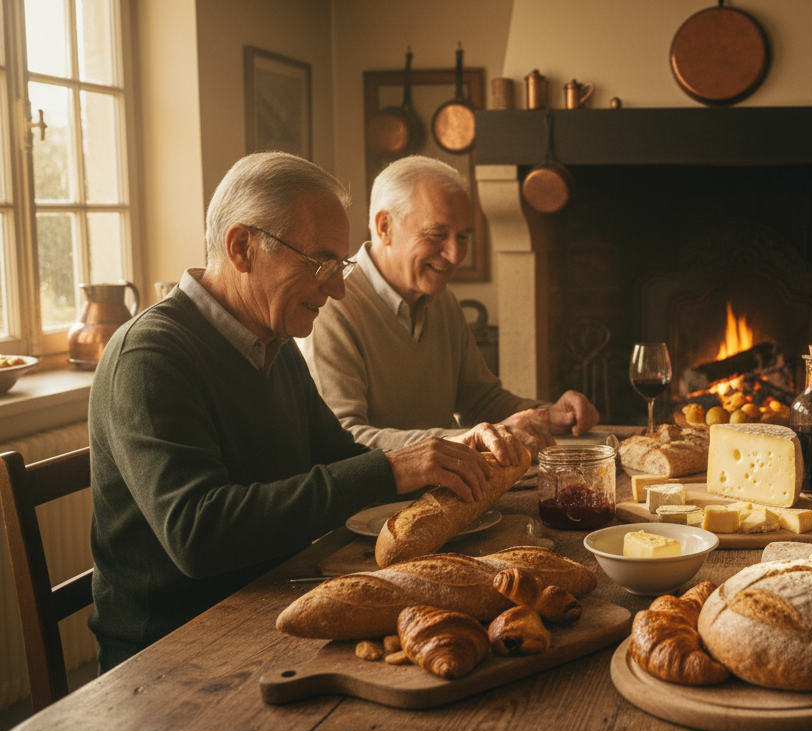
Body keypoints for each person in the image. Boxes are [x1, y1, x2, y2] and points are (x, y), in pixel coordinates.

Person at [88, 152, 525, 671]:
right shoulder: (151, 355)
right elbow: (197, 534)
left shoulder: (269, 342)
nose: (337, 287)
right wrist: (393, 467)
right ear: (242, 247)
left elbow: (340, 456)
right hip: (176, 651)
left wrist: (443, 453)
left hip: (273, 601)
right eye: (320, 263)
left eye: (341, 266)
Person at [299, 155, 599, 453]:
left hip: (449, 484)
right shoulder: (330, 306)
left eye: (463, 237)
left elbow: (482, 401)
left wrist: (550, 415)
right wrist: (473, 438)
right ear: (384, 227)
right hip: (379, 499)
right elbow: (345, 440)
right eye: (437, 234)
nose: (456, 255)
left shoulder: (442, 301)